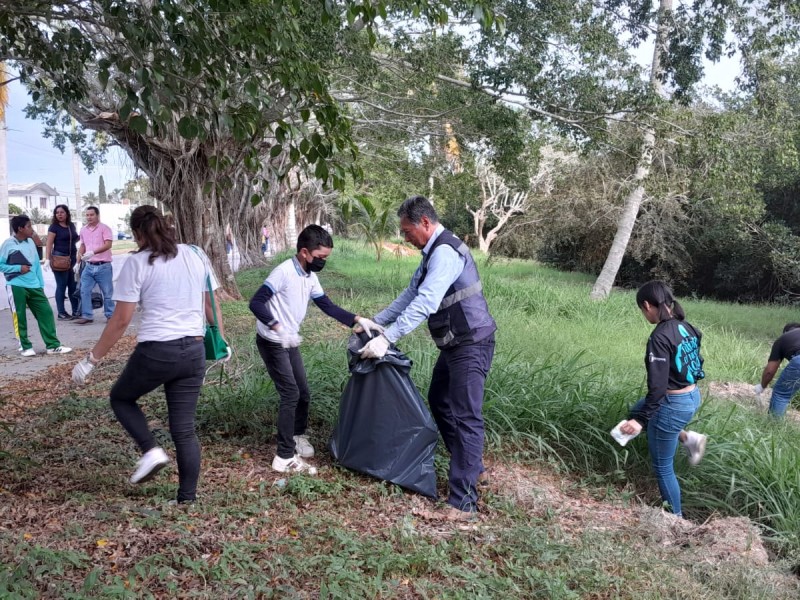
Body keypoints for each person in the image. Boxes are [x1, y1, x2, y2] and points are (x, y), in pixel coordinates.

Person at [72, 205, 229, 504]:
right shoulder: (195, 254)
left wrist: (91, 360)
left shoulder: (137, 263)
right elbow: (211, 306)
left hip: (158, 351)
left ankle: (151, 450)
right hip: (193, 350)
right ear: (167, 226)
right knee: (184, 428)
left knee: (121, 398)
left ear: (137, 233)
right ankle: (187, 498)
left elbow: (120, 320)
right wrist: (221, 341)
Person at [359, 195, 496, 521]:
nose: (404, 237)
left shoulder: (445, 254)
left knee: (466, 418)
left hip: (470, 344)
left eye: (407, 230)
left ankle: (463, 503)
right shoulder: (431, 251)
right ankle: (472, 469)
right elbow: (411, 293)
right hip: (455, 345)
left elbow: (425, 303)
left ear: (425, 223)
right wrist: (376, 322)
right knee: (439, 400)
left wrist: (388, 339)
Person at [248, 224, 383, 474]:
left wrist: (358, 319)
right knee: (290, 393)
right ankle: (284, 456)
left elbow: (326, 305)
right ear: (304, 252)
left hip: (290, 340)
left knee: (303, 392)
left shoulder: (310, 276)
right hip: (272, 341)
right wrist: (277, 327)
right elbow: (255, 302)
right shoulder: (283, 272)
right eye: (320, 257)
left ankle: (297, 435)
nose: (323, 262)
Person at [619, 281, 707, 518]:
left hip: (672, 403)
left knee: (663, 467)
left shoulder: (659, 337)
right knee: (635, 410)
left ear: (647, 305)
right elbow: (697, 362)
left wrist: (641, 422)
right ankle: (690, 439)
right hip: (691, 395)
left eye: (641, 309)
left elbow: (657, 388)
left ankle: (676, 520)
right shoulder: (686, 327)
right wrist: (640, 416)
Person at [0, 215, 72, 356]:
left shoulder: (31, 242)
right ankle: (25, 346)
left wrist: (40, 284)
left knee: (46, 312)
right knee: (19, 316)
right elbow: (1, 265)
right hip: (16, 285)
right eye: (29, 226)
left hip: (34, 286)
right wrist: (18, 268)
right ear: (20, 229)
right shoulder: (8, 244)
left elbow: (36, 266)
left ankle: (53, 345)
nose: (31, 229)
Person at [74, 205, 115, 324]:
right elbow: (82, 245)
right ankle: (87, 315)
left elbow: (108, 245)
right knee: (84, 290)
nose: (89, 217)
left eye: (92, 215)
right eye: (87, 215)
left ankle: (110, 315)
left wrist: (93, 252)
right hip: (89, 266)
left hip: (103, 265)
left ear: (97, 215)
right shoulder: (83, 230)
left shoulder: (104, 228)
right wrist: (78, 262)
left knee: (107, 292)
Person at [754, 322, 800, 417]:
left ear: (785, 332)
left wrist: (762, 386)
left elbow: (770, 371)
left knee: (781, 394)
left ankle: (774, 427)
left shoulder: (782, 339)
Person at [45, 204, 79, 320]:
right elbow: (49, 244)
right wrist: (47, 259)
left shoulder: (71, 225)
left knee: (73, 285)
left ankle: (76, 311)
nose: (59, 214)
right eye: (57, 212)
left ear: (67, 213)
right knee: (61, 285)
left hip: (73, 258)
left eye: (62, 212)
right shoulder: (54, 227)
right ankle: (61, 312)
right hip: (60, 259)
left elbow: (76, 238)